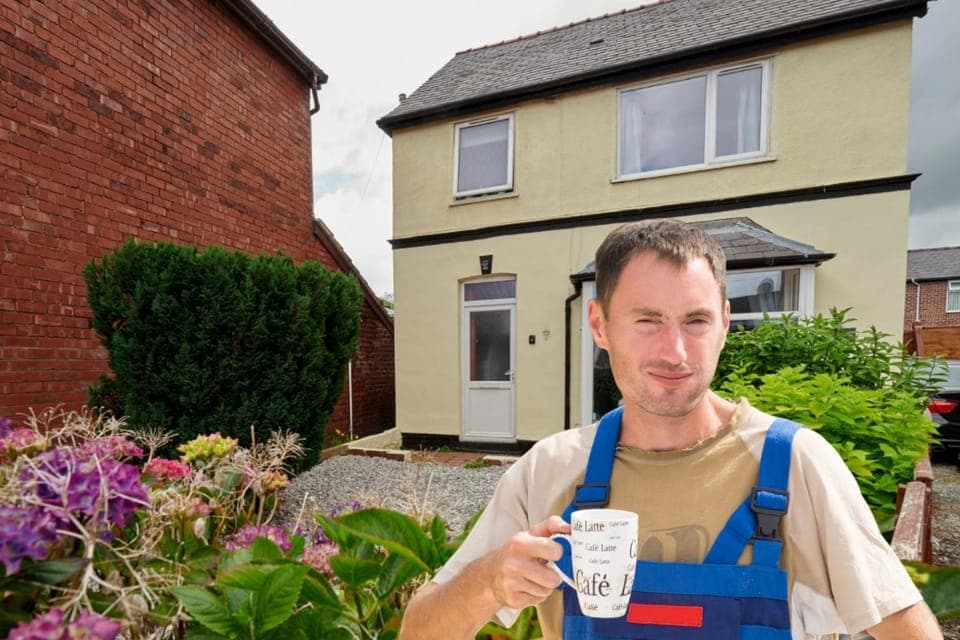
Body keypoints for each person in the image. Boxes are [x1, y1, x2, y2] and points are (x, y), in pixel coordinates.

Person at [398, 220, 942, 640]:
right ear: (599, 325)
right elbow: (418, 630)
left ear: (726, 324)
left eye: (696, 320)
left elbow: (905, 627)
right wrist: (493, 579)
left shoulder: (796, 463)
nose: (675, 352)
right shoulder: (550, 470)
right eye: (648, 320)